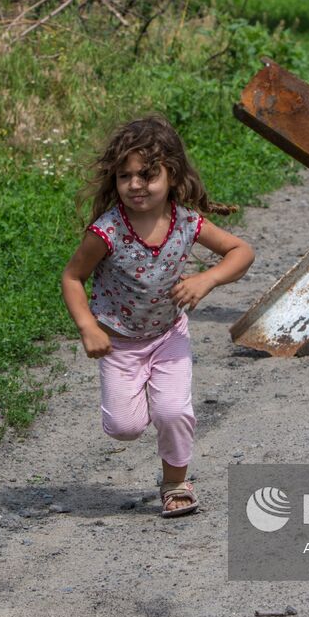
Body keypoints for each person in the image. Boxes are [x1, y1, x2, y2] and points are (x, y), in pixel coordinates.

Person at [61, 115, 254, 518]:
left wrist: (207, 280)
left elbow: (241, 252)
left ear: (172, 174)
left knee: (173, 412)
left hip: (168, 336)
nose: (135, 185)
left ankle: (176, 483)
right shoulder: (107, 232)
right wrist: (87, 327)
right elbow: (72, 277)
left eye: (147, 175)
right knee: (124, 428)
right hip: (118, 342)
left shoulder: (186, 222)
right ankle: (145, 395)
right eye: (125, 176)